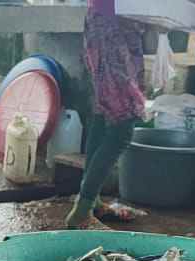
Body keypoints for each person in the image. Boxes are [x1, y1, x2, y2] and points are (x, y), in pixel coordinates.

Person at [64, 0, 146, 228]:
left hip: (110, 22)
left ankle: (92, 201)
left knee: (103, 113)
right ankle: (82, 211)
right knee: (122, 127)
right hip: (112, 26)